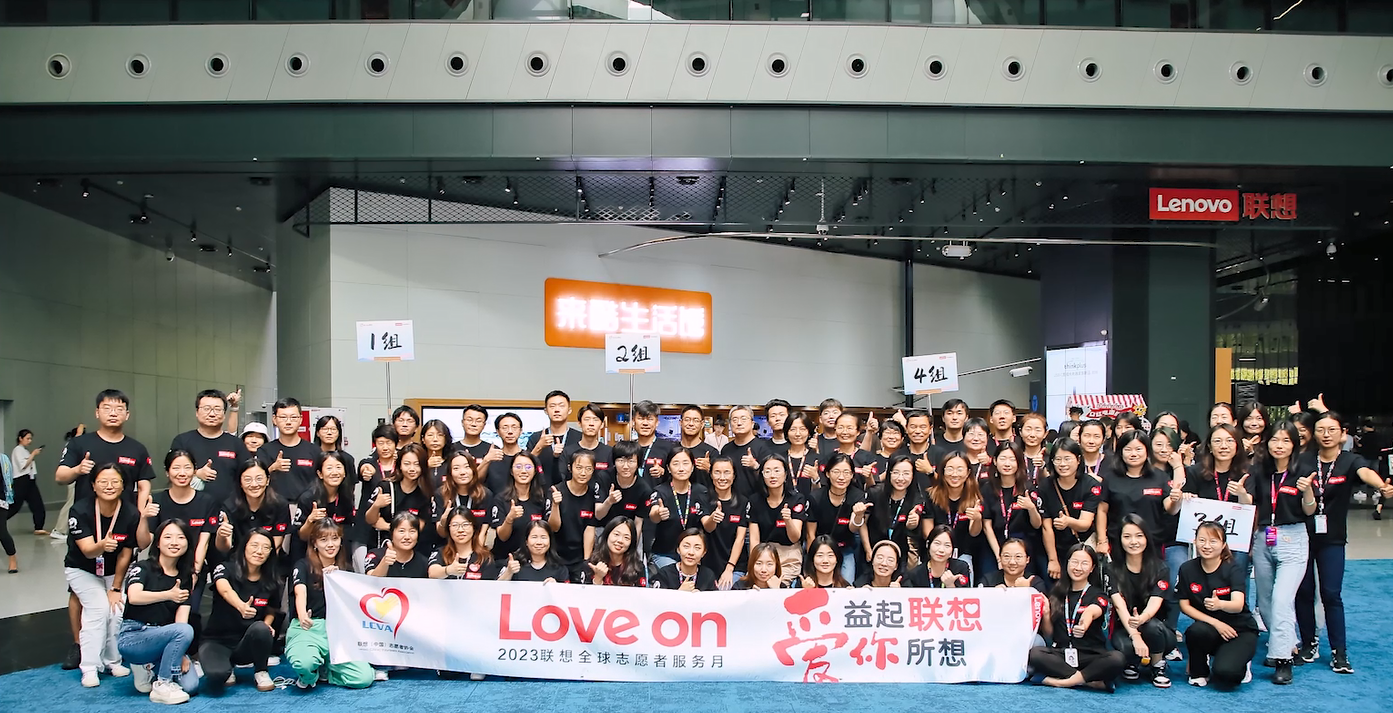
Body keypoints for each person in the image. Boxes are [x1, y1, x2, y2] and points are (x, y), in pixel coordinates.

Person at [1294, 411, 1393, 673]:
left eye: (1332, 430)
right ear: (1314, 433)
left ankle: (1340, 652)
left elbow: (1365, 473)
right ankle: (1308, 644)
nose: (1326, 435)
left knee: (1331, 593)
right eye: (1321, 430)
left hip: (1333, 538)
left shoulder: (1350, 460)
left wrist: (1382, 486)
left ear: (1343, 434)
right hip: (1302, 536)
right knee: (1303, 592)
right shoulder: (1304, 461)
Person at [1247, 421, 1314, 684]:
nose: (1279, 445)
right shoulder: (1259, 471)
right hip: (1263, 537)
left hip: (1293, 537)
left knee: (1282, 599)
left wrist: (1307, 491)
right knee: (1264, 601)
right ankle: (1284, 643)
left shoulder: (1304, 470)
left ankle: (1283, 659)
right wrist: (1242, 494)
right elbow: (1249, 505)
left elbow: (1309, 510)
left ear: (1294, 444)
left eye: (1286, 440)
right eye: (1275, 439)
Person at [66, 464, 139, 687]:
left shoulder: (130, 512)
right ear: (93, 485)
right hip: (82, 570)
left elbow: (126, 553)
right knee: (97, 609)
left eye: (115, 481)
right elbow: (88, 550)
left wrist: (116, 588)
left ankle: (113, 661)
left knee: (117, 610)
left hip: (113, 572)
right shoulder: (80, 510)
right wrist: (102, 545)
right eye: (103, 482)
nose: (109, 486)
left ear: (123, 485)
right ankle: (89, 666)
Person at [137, 450, 216, 645]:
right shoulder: (157, 500)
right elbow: (143, 543)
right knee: (162, 612)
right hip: (161, 570)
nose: (182, 473)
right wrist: (143, 518)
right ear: (167, 472)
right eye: (176, 468)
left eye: (187, 467)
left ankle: (190, 655)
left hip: (193, 568)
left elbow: (203, 541)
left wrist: (194, 572)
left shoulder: (207, 501)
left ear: (195, 470)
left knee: (191, 612)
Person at [118, 519, 200, 704]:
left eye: (180, 537)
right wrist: (168, 595)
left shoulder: (186, 576)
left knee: (191, 686)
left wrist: (182, 653)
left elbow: (182, 619)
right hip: (134, 636)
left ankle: (149, 666)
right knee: (184, 631)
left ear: (188, 543)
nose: (174, 542)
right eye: (168, 537)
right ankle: (163, 684)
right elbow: (134, 596)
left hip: (165, 639)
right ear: (158, 542)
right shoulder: (142, 567)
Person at [287, 519, 374, 690]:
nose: (330, 544)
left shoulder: (346, 568)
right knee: (304, 664)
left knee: (364, 677)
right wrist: (303, 614)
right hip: (310, 628)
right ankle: (310, 674)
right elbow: (300, 591)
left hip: (338, 630)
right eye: (324, 539)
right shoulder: (303, 565)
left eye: (335, 538)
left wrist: (339, 577)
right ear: (314, 543)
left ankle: (326, 670)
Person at [1028, 544, 1124, 691]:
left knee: (1117, 659)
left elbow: (1093, 610)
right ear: (1067, 563)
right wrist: (1046, 615)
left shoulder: (1098, 594)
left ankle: (1064, 681)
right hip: (1063, 653)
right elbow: (1049, 635)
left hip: (1090, 655)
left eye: (1084, 563)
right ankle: (1089, 681)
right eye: (1074, 562)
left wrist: (1084, 623)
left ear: (1092, 568)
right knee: (1035, 654)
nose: (1078, 568)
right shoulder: (1056, 593)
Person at [1177, 521, 1258, 689]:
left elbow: (1237, 604)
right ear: (1195, 541)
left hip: (1239, 630)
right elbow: (1184, 606)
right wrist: (1216, 622)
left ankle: (1241, 661)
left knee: (1227, 675)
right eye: (1202, 540)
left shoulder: (1232, 568)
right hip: (1211, 627)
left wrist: (1220, 604)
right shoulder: (1187, 569)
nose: (1207, 546)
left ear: (1223, 545)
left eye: (1213, 541)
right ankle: (1199, 671)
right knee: (1195, 631)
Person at [201, 529, 279, 694]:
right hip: (218, 640)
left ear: (271, 552)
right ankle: (227, 667)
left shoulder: (271, 579)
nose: (259, 551)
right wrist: (240, 606)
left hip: (246, 642)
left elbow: (272, 608)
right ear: (244, 546)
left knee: (261, 628)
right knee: (217, 676)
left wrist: (267, 624)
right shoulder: (225, 568)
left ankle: (261, 671)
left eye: (266, 547)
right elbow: (225, 589)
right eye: (255, 545)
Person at [1107, 516, 1175, 687]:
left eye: (1139, 536)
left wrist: (1142, 619)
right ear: (1120, 539)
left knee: (1152, 627)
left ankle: (1157, 665)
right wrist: (1135, 634)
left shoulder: (1161, 568)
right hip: (1126, 627)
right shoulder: (1112, 569)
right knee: (1125, 649)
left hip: (1156, 627)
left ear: (1147, 538)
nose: (1133, 542)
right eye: (1127, 536)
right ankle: (1133, 661)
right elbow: (1119, 605)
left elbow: (1155, 603)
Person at [57, 389, 156, 505]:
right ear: (97, 412)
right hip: (86, 517)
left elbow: (143, 487)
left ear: (127, 415)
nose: (113, 413)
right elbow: (60, 477)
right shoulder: (79, 443)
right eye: (107, 408)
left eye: (119, 409)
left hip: (125, 517)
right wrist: (78, 469)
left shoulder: (137, 448)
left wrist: (141, 516)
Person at [1185, 424, 1253, 575]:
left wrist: (1241, 493)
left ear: (1237, 446)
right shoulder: (1195, 472)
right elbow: (1186, 502)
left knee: (1237, 580)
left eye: (1229, 441)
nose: (1223, 446)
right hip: (1205, 540)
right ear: (1209, 446)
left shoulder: (1247, 471)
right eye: (1217, 441)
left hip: (1236, 539)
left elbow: (1249, 502)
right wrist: (1188, 498)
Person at [1095, 431, 1174, 558]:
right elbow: (1102, 510)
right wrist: (1102, 540)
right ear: (1121, 452)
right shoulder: (1111, 478)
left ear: (1147, 451)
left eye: (1138, 449)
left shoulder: (1160, 477)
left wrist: (1176, 499)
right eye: (1128, 449)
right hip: (1119, 544)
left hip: (1152, 544)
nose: (1133, 454)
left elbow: (1170, 508)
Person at [169, 390, 250, 507]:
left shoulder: (235, 443)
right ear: (197, 412)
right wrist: (196, 473)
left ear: (224, 413)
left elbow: (247, 473)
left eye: (217, 409)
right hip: (191, 508)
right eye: (206, 409)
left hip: (230, 510)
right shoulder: (182, 441)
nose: (212, 414)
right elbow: (172, 472)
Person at [1038, 439, 1098, 582]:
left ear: (1078, 460)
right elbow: (1046, 527)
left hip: (1083, 549)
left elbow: (1085, 524)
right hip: (1056, 548)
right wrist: (1053, 559)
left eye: (1067, 459)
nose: (1062, 464)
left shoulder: (1090, 485)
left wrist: (1068, 522)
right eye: (1058, 459)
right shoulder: (1045, 486)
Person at [983, 444, 1044, 580]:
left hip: (1022, 545)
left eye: (1012, 459)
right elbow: (986, 525)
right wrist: (1000, 556)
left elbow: (1037, 524)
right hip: (995, 543)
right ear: (994, 461)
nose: (1007, 464)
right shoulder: (988, 488)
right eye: (1003, 459)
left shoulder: (1027, 487)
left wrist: (1031, 508)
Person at [926, 452, 988, 580]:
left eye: (960, 469)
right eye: (950, 469)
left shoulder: (975, 497)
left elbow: (974, 533)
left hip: (964, 554)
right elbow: (928, 532)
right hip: (936, 552)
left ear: (968, 473)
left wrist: (977, 519)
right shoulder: (931, 495)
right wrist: (940, 550)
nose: (955, 474)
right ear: (942, 471)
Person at [807, 451, 866, 582]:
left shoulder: (857, 496)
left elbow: (853, 528)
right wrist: (812, 559)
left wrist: (858, 516)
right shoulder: (816, 497)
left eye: (846, 473)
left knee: (846, 586)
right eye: (836, 472)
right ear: (827, 473)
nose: (841, 477)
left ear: (852, 475)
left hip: (845, 549)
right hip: (820, 550)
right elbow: (810, 534)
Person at [746, 456, 805, 585]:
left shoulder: (796, 499)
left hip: (788, 553)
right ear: (762, 475)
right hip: (764, 553)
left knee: (777, 587)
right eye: (767, 471)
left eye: (777, 470)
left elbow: (795, 538)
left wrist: (788, 520)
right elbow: (754, 539)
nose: (772, 475)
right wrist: (754, 565)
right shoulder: (755, 500)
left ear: (785, 474)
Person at [491, 451, 560, 558]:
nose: (523, 471)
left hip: (536, 560)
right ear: (511, 471)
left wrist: (555, 506)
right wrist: (509, 519)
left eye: (528, 467)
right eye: (518, 466)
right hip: (506, 558)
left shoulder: (543, 497)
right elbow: (502, 537)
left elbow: (554, 528)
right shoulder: (501, 499)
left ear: (535, 471)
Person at [649, 449, 711, 569]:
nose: (681, 468)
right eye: (676, 464)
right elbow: (653, 515)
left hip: (692, 555)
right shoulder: (660, 491)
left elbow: (707, 525)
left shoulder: (700, 491)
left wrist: (713, 519)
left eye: (686, 463)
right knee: (674, 578)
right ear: (668, 468)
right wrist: (659, 513)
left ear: (693, 467)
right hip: (665, 553)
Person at [364, 443, 432, 551]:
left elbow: (419, 526)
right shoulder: (385, 486)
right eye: (407, 464)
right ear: (399, 465)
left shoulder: (425, 493)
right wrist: (376, 505)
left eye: (417, 464)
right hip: (382, 547)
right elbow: (370, 520)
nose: (412, 469)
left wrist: (388, 526)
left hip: (410, 548)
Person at [861, 455, 925, 571]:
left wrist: (912, 523)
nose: (900, 478)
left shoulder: (917, 499)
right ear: (889, 473)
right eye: (896, 472)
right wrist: (868, 550)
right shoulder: (875, 493)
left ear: (913, 475)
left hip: (902, 554)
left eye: (906, 473)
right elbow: (863, 523)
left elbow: (912, 529)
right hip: (874, 551)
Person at [214, 460, 289, 557]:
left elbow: (276, 543)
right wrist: (221, 536)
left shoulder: (280, 504)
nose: (254, 484)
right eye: (248, 479)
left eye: (259, 479)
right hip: (238, 558)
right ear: (240, 482)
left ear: (268, 480)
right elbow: (224, 548)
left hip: (268, 557)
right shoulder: (229, 506)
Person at [256, 397, 320, 506]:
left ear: (300, 419)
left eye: (293, 417)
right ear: (274, 419)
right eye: (283, 417)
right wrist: (273, 468)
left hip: (306, 508)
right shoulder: (265, 450)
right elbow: (256, 480)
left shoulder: (314, 450)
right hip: (273, 508)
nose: (288, 422)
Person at [553, 450, 604, 580]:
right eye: (579, 468)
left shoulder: (593, 494)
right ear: (570, 468)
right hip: (555, 555)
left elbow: (590, 528)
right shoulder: (556, 491)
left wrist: (586, 561)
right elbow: (553, 527)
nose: (583, 473)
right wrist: (555, 505)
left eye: (588, 469)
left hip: (579, 556)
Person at [701, 457, 748, 590]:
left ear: (734, 475)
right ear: (710, 474)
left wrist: (729, 568)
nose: (722, 477)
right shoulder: (703, 497)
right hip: (707, 565)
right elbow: (707, 527)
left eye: (727, 472)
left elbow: (740, 538)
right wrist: (713, 519)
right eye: (717, 472)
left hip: (735, 565)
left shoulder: (743, 502)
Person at [524, 390, 582, 488]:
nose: (557, 410)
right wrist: (539, 447)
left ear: (569, 410)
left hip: (572, 493)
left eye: (561, 406)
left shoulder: (579, 437)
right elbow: (525, 466)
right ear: (546, 411)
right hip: (539, 492)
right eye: (552, 406)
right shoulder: (536, 437)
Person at [429, 507, 501, 583]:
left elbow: (489, 586)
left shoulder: (485, 557)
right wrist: (448, 570)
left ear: (474, 528)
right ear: (448, 529)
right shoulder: (441, 552)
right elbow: (432, 572)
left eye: (465, 525)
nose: (460, 530)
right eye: (455, 525)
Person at [720, 406, 773, 498]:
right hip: (733, 502)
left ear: (752, 424)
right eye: (735, 420)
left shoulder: (764, 447)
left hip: (758, 500)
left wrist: (756, 466)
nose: (739, 423)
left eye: (743, 419)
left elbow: (771, 478)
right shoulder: (726, 449)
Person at [579, 517, 646, 587]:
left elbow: (640, 595)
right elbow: (585, 596)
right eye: (616, 534)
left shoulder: (637, 567)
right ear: (607, 535)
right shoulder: (591, 564)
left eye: (626, 538)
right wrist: (598, 578)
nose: (620, 540)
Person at [365, 511, 429, 578]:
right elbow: (371, 581)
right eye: (401, 531)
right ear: (392, 534)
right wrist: (384, 563)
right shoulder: (375, 555)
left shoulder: (424, 562)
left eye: (412, 531)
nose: (407, 537)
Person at [904, 525, 971, 587]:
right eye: (937, 543)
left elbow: (966, 597)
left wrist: (950, 585)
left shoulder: (961, 568)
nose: (941, 550)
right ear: (928, 544)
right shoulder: (915, 574)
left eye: (947, 545)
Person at [651, 528, 716, 591]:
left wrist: (700, 597)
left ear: (703, 553)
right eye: (686, 546)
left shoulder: (708, 575)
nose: (691, 552)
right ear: (678, 549)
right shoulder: (665, 574)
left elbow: (715, 600)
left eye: (697, 548)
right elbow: (657, 600)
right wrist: (680, 593)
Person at [10, 429, 47, 534]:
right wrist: (33, 454)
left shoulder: (25, 451)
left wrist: (31, 454)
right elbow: (23, 465)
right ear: (20, 438)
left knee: (37, 504)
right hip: (21, 481)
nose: (29, 441)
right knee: (15, 506)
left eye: (30, 439)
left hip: (30, 480)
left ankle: (39, 527)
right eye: (27, 438)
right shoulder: (17, 450)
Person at [631, 400, 675, 486]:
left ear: (657, 423)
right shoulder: (628, 448)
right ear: (633, 422)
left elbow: (679, 475)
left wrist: (664, 472)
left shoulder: (669, 448)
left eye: (650, 419)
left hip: (658, 497)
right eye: (640, 419)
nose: (645, 423)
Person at [980, 538, 1048, 593]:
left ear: (1027, 559)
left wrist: (1027, 590)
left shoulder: (1035, 582)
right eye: (1007, 556)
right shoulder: (988, 580)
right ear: (1000, 558)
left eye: (1018, 556)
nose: (1012, 562)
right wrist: (991, 594)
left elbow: (1043, 607)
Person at [676, 405, 718, 490]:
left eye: (695, 420)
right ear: (680, 423)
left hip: (703, 499)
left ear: (702, 424)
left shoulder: (712, 452)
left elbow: (721, 480)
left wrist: (710, 469)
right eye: (687, 420)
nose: (691, 424)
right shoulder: (672, 450)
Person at [483, 412, 526, 494]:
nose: (510, 432)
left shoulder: (527, 458)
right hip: (495, 505)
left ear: (521, 431)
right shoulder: (492, 457)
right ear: (498, 432)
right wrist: (486, 461)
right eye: (505, 428)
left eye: (514, 427)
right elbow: (476, 482)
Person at [783, 411, 819, 496]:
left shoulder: (817, 459)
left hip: (810, 506)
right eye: (793, 429)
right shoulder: (780, 458)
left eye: (802, 429)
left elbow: (822, 492)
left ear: (809, 433)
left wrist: (815, 478)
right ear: (786, 433)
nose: (798, 434)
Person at [928, 399, 968, 465]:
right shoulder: (933, 443)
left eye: (959, 413)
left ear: (966, 418)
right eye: (950, 413)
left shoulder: (970, 444)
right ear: (943, 417)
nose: (954, 417)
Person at [419, 419, 453, 490]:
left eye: (440, 435)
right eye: (430, 435)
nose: (435, 439)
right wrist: (425, 466)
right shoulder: (417, 461)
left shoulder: (453, 461)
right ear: (423, 439)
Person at [1, 450, 16, 572]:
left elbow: (8, 480)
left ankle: (12, 559)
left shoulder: (3, 459)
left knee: (1, 531)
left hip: (1, 500)